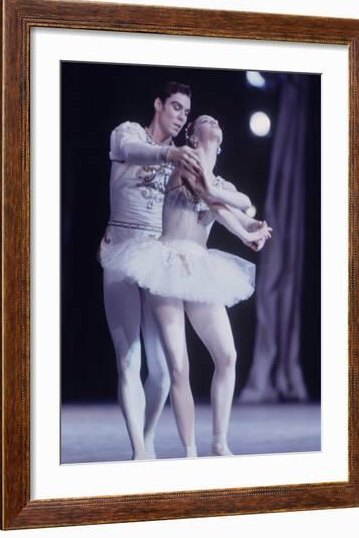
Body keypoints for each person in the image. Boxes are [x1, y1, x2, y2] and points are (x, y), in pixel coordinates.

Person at [101, 115, 271, 457]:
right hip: (166, 263)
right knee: (179, 366)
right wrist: (244, 232)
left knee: (228, 355)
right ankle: (190, 450)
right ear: (193, 136)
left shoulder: (219, 182)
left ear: (221, 142)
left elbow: (232, 202)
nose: (213, 121)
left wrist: (254, 229)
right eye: (205, 120)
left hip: (199, 267)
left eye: (215, 121)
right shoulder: (186, 165)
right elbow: (212, 199)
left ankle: (219, 441)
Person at [99, 81, 203, 460]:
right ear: (158, 104)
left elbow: (203, 198)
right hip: (120, 249)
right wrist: (169, 154)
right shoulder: (128, 133)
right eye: (176, 107)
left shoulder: (180, 158)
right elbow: (131, 151)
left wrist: (245, 224)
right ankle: (139, 451)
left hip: (155, 257)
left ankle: (148, 436)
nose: (181, 116)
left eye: (186, 112)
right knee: (129, 358)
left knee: (161, 369)